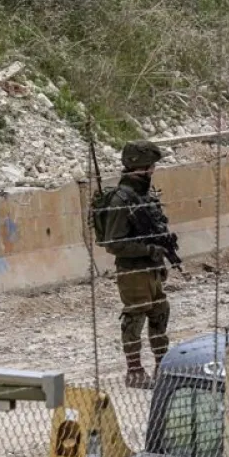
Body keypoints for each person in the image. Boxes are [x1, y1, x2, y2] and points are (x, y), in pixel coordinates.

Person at [98, 141, 172, 389]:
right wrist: (147, 249)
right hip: (132, 270)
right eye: (149, 168)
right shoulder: (121, 200)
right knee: (135, 316)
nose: (152, 172)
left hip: (151, 267)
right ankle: (135, 370)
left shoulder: (145, 197)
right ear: (139, 168)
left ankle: (162, 365)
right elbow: (113, 243)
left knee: (160, 313)